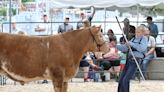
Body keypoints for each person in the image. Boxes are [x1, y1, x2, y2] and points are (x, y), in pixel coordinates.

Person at [117, 25, 148, 92]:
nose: (137, 33)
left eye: (139, 32)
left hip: (135, 61)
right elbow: (125, 48)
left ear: (142, 33)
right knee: (121, 79)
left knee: (126, 79)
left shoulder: (144, 39)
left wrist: (131, 44)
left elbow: (142, 48)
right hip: (128, 60)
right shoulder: (133, 39)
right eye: (136, 32)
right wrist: (116, 46)